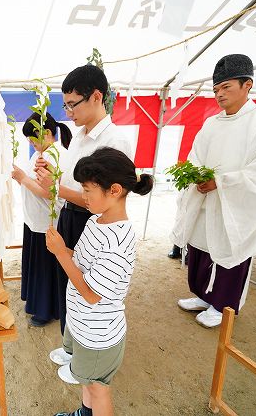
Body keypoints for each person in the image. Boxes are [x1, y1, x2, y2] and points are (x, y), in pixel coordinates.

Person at [172, 54, 256, 328]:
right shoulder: (211, 124)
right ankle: (204, 297)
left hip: (236, 205)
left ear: (247, 85)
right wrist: (197, 177)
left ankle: (223, 306)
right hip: (206, 200)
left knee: (230, 251)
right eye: (216, 89)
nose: (219, 94)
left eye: (226, 87)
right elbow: (195, 156)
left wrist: (222, 182)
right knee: (202, 248)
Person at [46, 147, 153, 416]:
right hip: (84, 322)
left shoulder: (119, 239)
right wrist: (64, 250)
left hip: (99, 332)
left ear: (114, 190)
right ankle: (85, 413)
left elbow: (92, 294)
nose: (83, 197)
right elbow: (81, 261)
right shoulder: (96, 221)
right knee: (88, 381)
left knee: (98, 387)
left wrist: (61, 253)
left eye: (87, 191)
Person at [35, 64, 133, 343]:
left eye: (72, 105)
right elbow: (74, 183)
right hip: (72, 215)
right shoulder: (79, 136)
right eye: (65, 105)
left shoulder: (115, 141)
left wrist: (57, 189)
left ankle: (84, 348)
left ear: (96, 97)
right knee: (68, 283)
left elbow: (105, 200)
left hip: (90, 220)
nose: (68, 113)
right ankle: (71, 345)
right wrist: (51, 176)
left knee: (84, 286)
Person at [11, 112, 72, 327]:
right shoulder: (44, 153)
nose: (30, 142)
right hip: (36, 219)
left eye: (31, 138)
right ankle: (43, 306)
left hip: (46, 221)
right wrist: (23, 178)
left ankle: (45, 310)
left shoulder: (53, 155)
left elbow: (49, 192)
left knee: (45, 268)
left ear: (46, 133)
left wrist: (22, 178)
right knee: (41, 266)